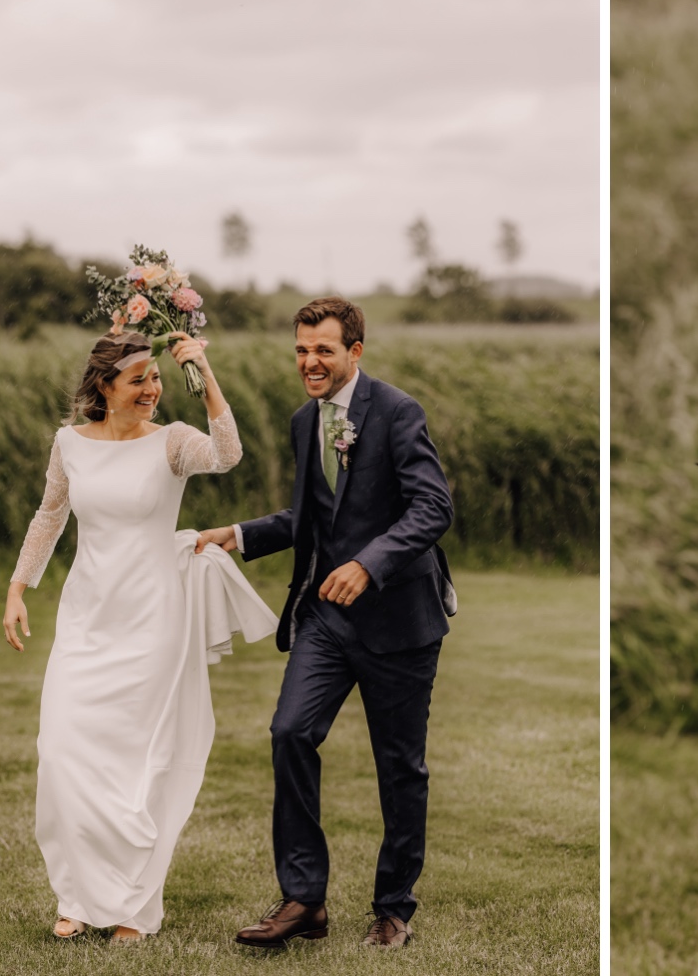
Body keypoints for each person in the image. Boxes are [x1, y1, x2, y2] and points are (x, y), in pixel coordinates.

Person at [196, 296, 456, 951]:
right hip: (326, 620)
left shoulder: (398, 413)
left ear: (355, 352)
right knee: (289, 732)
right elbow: (313, 516)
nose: (310, 362)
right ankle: (303, 900)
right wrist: (239, 533)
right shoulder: (301, 421)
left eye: (324, 351)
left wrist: (370, 565)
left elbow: (432, 508)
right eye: (302, 351)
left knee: (400, 769)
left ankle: (393, 910)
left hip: (400, 623)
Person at [5, 330, 271, 942]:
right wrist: (19, 588)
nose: (152, 389)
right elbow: (50, 514)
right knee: (63, 753)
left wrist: (200, 371)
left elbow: (227, 453)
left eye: (156, 377)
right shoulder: (69, 443)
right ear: (105, 387)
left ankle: (132, 906)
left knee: (140, 764)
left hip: (154, 617)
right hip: (87, 614)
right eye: (139, 380)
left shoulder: (173, 443)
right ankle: (76, 895)